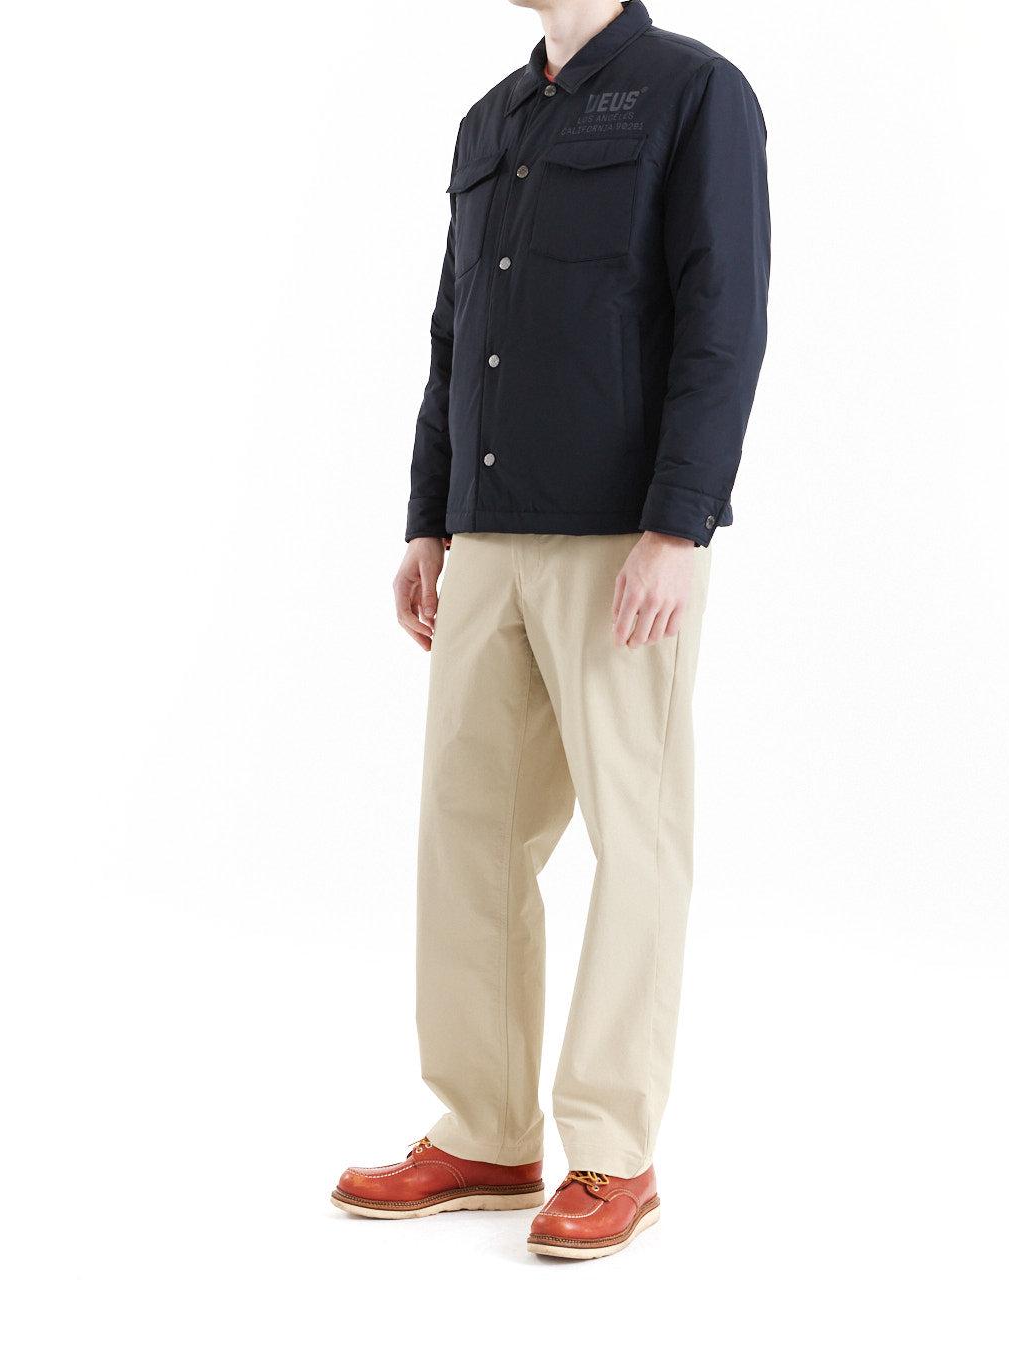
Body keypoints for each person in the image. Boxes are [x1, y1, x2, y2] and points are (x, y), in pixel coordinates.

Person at [331, 0, 769, 1260]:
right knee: (467, 837)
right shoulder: (492, 120)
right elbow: (455, 330)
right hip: (484, 536)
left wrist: (679, 523)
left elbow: (724, 313)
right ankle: (483, 1132)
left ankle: (614, 1153)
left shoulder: (696, 92)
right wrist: (429, 518)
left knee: (637, 839)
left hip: (621, 540)